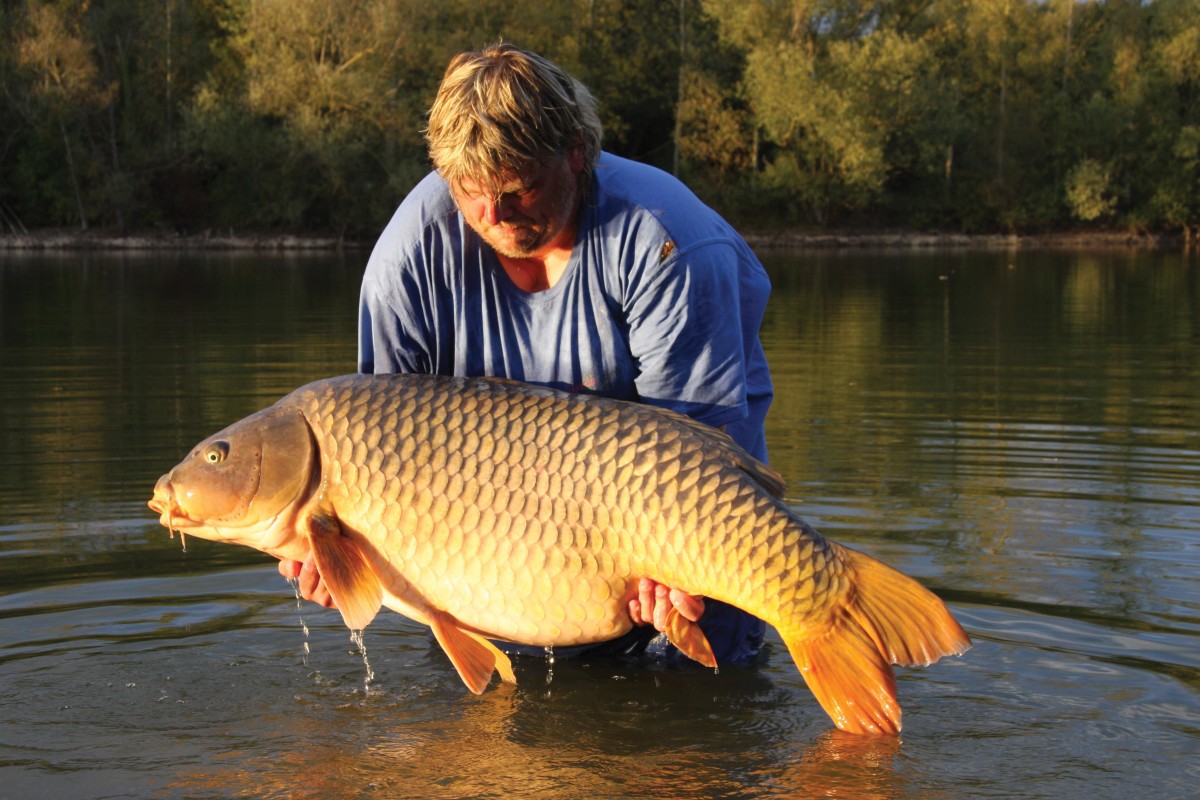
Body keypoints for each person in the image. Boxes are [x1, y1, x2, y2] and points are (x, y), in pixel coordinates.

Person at [282, 43, 774, 666]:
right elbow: (376, 466)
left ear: (576, 152)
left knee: (701, 719)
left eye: (519, 187)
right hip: (496, 559)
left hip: (676, 530)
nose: (494, 215)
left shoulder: (666, 241)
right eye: (469, 192)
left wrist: (672, 568)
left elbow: (700, 457)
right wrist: (337, 556)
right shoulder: (406, 263)